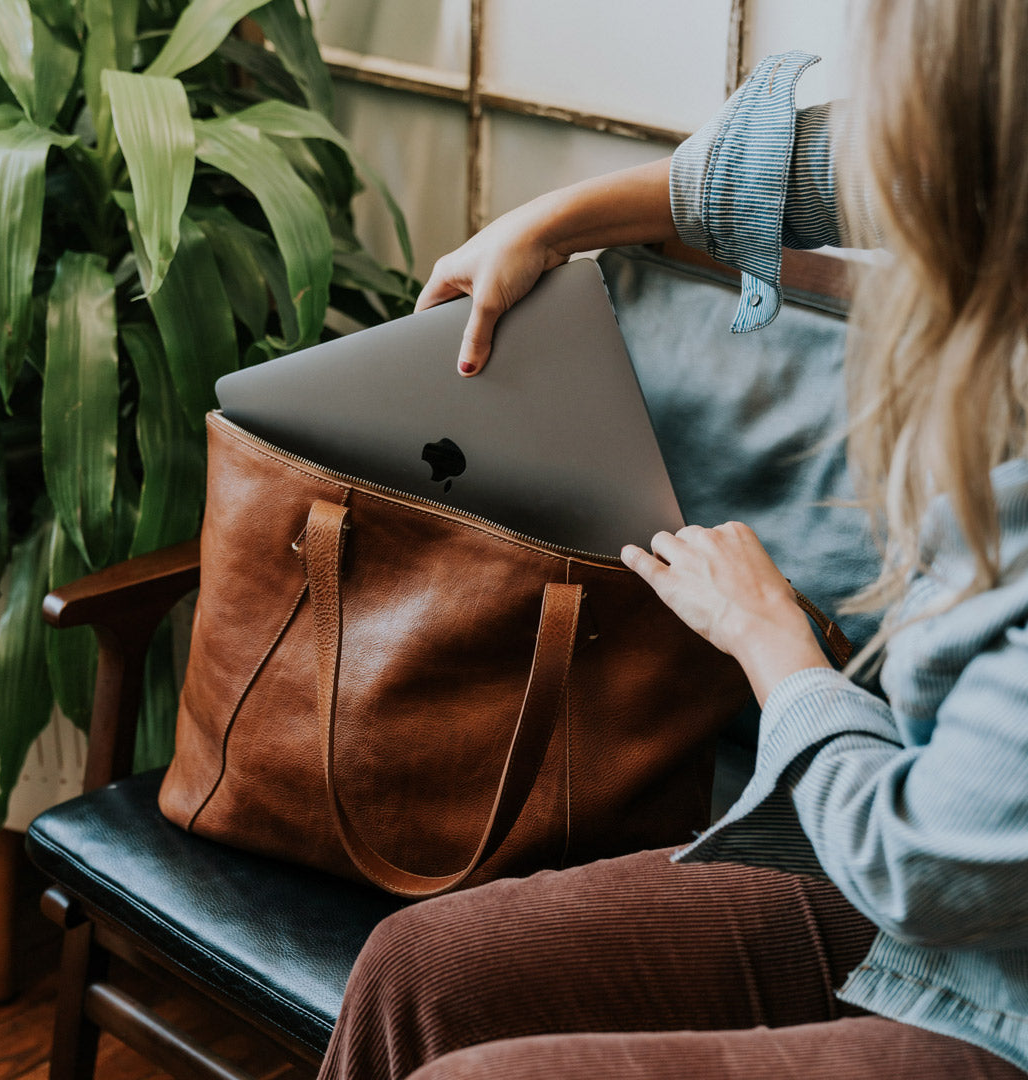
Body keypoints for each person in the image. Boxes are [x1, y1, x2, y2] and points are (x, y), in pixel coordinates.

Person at [318, 1, 1028, 1076]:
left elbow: (916, 861)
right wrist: (553, 222)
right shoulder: (987, 161)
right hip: (946, 890)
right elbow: (847, 164)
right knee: (419, 970)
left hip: (972, 942)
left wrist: (776, 646)